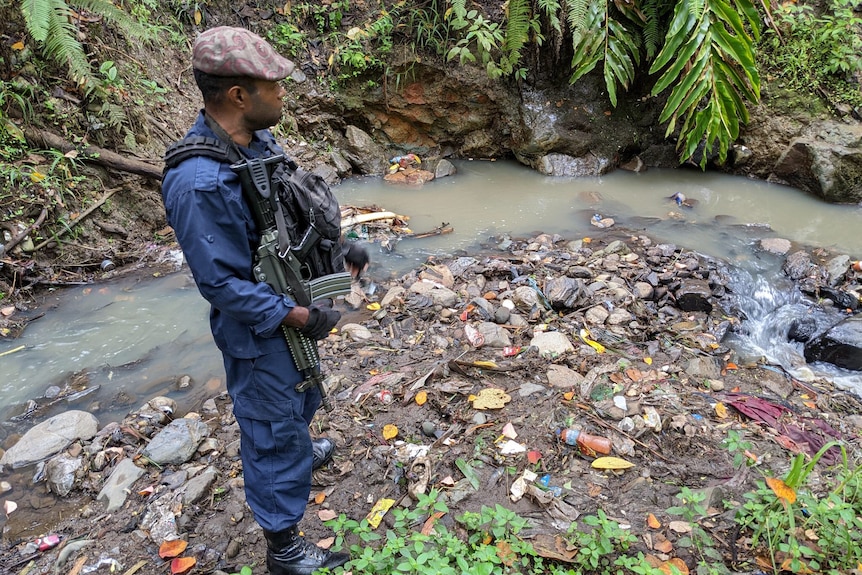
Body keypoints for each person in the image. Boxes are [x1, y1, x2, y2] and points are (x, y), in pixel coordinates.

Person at [161, 26, 367, 575]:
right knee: (270, 425)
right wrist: (297, 315)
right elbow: (222, 286)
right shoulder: (200, 181)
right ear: (237, 96)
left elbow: (289, 213)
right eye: (273, 85)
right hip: (258, 327)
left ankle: (299, 451)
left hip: (287, 301)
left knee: (301, 395)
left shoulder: (257, 143)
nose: (282, 94)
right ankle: (284, 548)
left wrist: (341, 249)